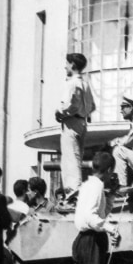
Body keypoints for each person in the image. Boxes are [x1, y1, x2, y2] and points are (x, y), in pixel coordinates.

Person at [55, 53, 96, 194]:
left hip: (71, 122)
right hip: (82, 123)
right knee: (76, 157)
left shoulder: (72, 83)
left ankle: (73, 191)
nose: (65, 66)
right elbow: (92, 107)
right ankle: (74, 190)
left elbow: (70, 104)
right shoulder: (85, 84)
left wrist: (60, 112)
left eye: (67, 63)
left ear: (72, 64)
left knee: (70, 158)